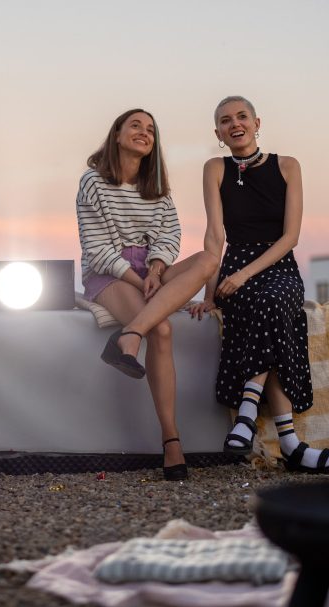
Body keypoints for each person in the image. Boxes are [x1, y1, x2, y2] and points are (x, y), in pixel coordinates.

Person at [189, 96, 329, 474]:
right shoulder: (215, 168)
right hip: (235, 264)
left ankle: (246, 414)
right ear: (218, 133)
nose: (234, 124)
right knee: (273, 317)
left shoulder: (289, 166)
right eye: (225, 121)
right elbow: (214, 237)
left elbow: (290, 237)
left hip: (278, 266)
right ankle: (291, 444)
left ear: (258, 123)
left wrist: (245, 275)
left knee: (273, 301)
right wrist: (210, 294)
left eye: (242, 117)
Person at [78, 109, 216, 481]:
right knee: (164, 330)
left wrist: (156, 271)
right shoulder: (93, 182)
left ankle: (129, 334)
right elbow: (97, 248)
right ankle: (172, 441)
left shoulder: (156, 187)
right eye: (135, 125)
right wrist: (142, 283)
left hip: (151, 269)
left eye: (151, 129)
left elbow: (169, 236)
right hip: (110, 272)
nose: (144, 132)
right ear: (117, 134)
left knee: (207, 260)